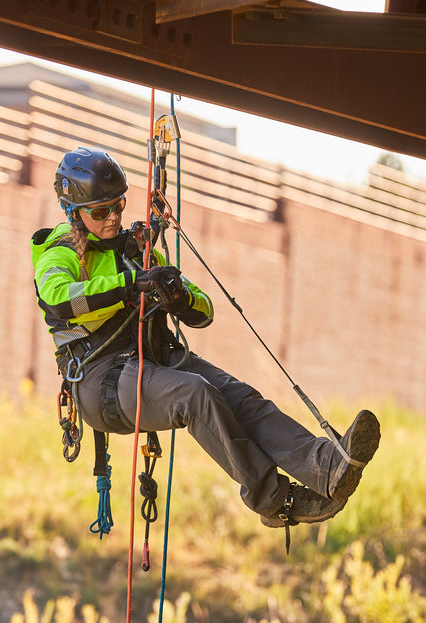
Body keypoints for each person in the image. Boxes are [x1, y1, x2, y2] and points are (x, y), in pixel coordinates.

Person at [30, 146, 381, 531]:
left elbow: (206, 311)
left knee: (241, 398)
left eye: (118, 206)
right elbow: (60, 299)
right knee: (195, 394)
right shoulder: (58, 250)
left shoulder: (135, 250)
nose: (113, 217)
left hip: (155, 359)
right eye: (101, 212)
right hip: (103, 383)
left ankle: (326, 467)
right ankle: (276, 500)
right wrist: (132, 284)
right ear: (73, 211)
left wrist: (178, 297)